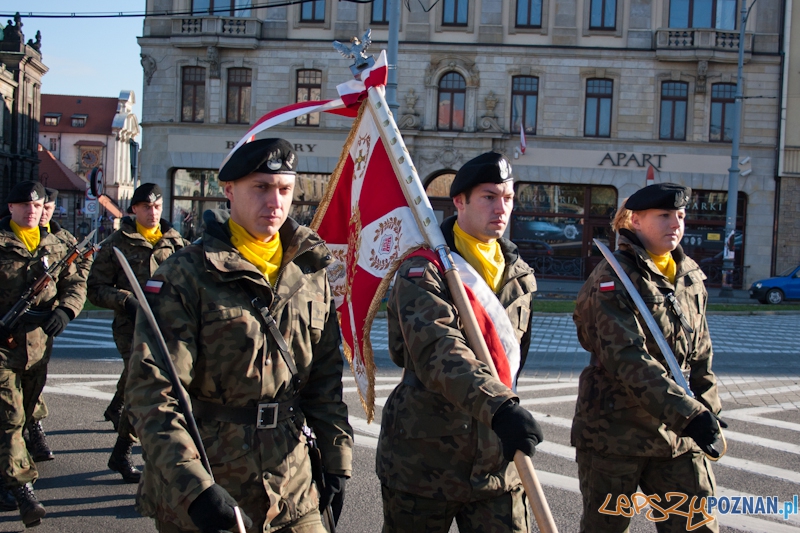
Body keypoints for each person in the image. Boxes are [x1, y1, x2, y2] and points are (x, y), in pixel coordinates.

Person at [127, 138, 353, 533]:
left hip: (293, 483)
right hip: (213, 481)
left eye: (284, 189)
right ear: (228, 190)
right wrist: (194, 490)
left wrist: (337, 461)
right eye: (261, 188)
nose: (275, 202)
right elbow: (152, 393)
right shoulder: (186, 275)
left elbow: (325, 382)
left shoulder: (310, 272)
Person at [377, 152, 542, 532]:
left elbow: (513, 361)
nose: (501, 208)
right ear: (459, 202)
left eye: (508, 197)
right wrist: (501, 408)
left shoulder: (519, 274)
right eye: (488, 197)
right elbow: (437, 350)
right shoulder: (425, 268)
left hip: (496, 461)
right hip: (424, 458)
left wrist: (504, 414)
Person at [572, 183, 724, 533]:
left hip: (679, 438)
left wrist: (709, 409)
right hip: (615, 435)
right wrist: (691, 416)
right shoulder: (612, 278)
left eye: (681, 216)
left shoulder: (689, 276)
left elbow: (699, 353)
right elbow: (628, 359)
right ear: (635, 220)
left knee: (697, 527)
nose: (676, 223)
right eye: (664, 216)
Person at [86, 183, 189, 483]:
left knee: (144, 387)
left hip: (168, 328)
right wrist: (124, 301)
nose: (153, 212)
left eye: (157, 207)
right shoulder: (117, 244)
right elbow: (96, 288)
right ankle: (128, 451)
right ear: (134, 209)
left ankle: (120, 451)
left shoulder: (175, 242)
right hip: (131, 328)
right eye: (146, 207)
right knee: (145, 387)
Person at [0, 181, 86, 527]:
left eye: (36, 206)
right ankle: (22, 489)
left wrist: (66, 310)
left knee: (22, 416)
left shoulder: (57, 244)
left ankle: (7, 471)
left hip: (37, 348)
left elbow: (76, 282)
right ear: (10, 208)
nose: (31, 211)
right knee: (11, 417)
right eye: (24, 206)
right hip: (3, 348)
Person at [24, 188, 93, 463]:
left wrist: (65, 310)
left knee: (33, 383)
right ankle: (16, 467)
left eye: (46, 208)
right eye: (37, 207)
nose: (41, 213)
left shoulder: (61, 240)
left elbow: (75, 277)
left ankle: (30, 428)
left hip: (43, 326)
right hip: (13, 327)